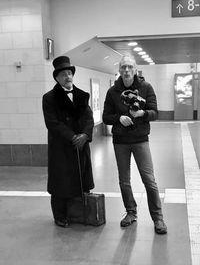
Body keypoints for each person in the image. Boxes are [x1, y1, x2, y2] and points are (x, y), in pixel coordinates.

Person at [102, 55, 167, 234]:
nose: (126, 70)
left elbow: (155, 113)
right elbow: (105, 117)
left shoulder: (145, 87)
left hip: (140, 140)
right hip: (120, 142)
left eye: (130, 67)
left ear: (135, 68)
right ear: (119, 70)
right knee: (124, 181)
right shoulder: (112, 91)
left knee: (149, 180)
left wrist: (142, 114)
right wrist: (118, 118)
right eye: (123, 67)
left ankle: (158, 218)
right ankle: (131, 212)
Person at [42, 56, 94, 228]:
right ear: (56, 78)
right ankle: (60, 215)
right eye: (63, 74)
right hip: (62, 146)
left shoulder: (82, 95)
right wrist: (73, 137)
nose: (67, 76)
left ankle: (81, 211)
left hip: (81, 145)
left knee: (81, 179)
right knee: (61, 182)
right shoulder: (49, 98)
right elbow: (52, 123)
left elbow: (88, 118)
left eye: (69, 73)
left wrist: (85, 135)